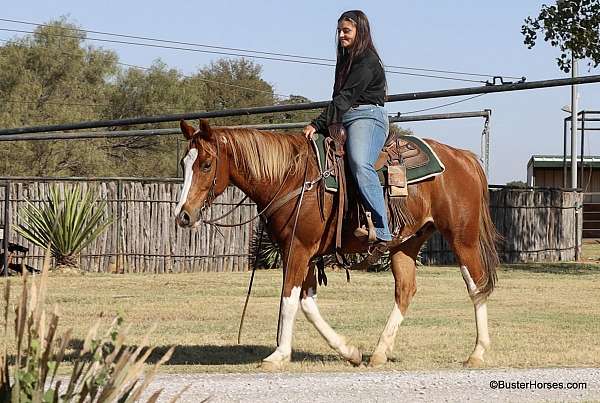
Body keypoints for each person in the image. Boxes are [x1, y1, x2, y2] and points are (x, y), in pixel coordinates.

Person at [303, 9, 392, 260]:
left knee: (359, 162)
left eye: (347, 31)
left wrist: (317, 123)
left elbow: (344, 98)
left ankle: (382, 227)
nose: (341, 35)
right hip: (344, 116)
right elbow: (338, 99)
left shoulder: (367, 61)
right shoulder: (345, 60)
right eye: (340, 30)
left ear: (360, 31)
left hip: (367, 116)